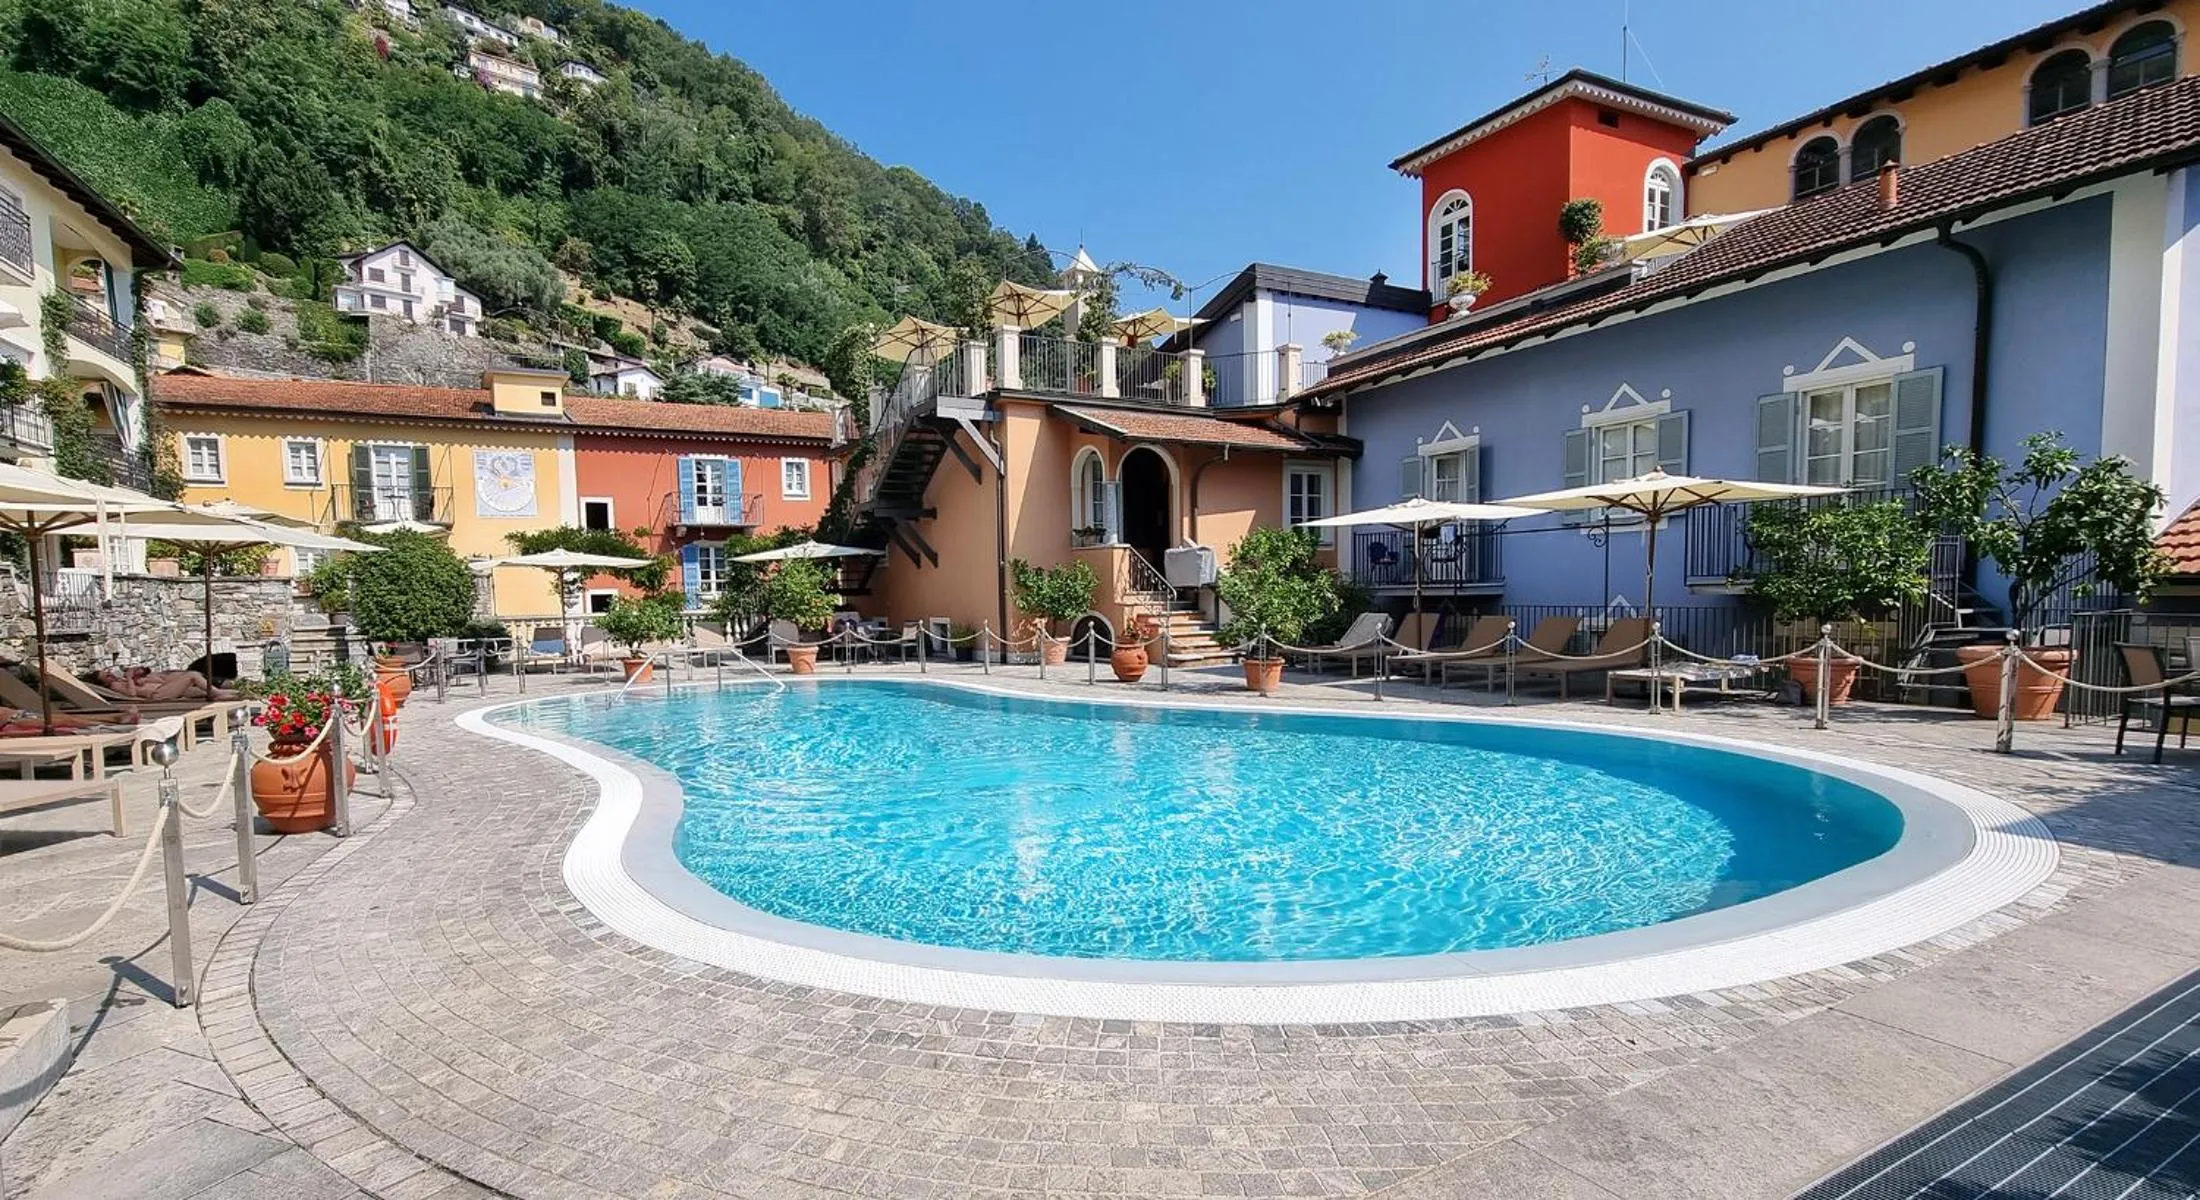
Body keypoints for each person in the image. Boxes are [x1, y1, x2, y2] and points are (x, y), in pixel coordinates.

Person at [90, 666, 239, 702]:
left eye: (108, 672)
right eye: (107, 676)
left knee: (202, 692)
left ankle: (244, 694)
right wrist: (129, 679)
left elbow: (160, 681)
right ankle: (217, 692)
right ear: (104, 682)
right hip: (158, 695)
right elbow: (132, 695)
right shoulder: (115, 686)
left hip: (163, 689)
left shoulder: (122, 680)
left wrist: (142, 678)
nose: (110, 675)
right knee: (192, 675)